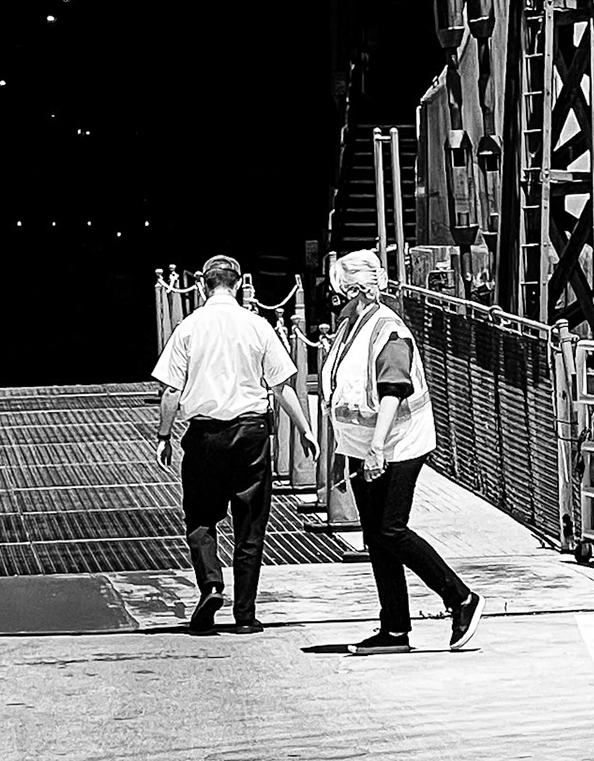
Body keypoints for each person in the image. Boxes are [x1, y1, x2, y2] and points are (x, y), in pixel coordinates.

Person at [321, 249, 482, 654]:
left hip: (396, 445)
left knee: (392, 529)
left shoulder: (387, 331)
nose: (334, 296)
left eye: (340, 289)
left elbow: (393, 391)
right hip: (364, 447)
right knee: (376, 537)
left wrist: (376, 448)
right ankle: (394, 629)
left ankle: (460, 597)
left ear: (356, 291)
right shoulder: (353, 325)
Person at [152, 254, 318, 633]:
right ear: (240, 283)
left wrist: (164, 435)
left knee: (200, 517)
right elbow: (282, 386)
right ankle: (245, 614)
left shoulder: (188, 328)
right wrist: (305, 428)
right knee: (250, 524)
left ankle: (210, 583)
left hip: (205, 435)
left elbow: (171, 392)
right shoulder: (258, 326)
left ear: (202, 285)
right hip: (251, 433)